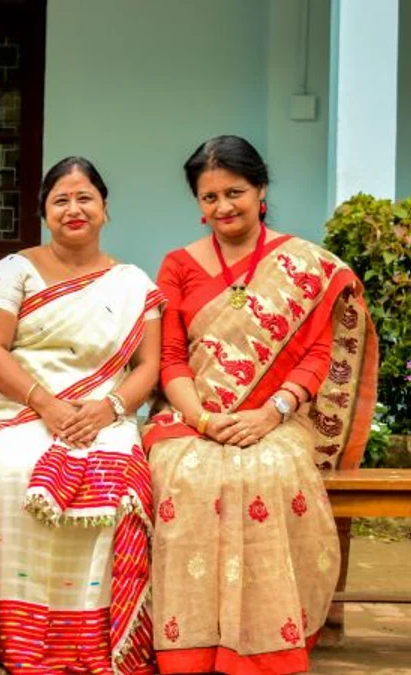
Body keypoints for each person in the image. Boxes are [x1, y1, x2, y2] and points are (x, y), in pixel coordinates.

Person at [145, 135, 378, 674]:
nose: (223, 207)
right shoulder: (178, 265)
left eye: (235, 192)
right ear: (198, 204)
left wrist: (270, 413)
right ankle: (191, 645)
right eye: (210, 197)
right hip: (192, 416)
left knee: (267, 471)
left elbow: (317, 355)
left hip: (276, 418)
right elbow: (171, 359)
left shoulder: (304, 265)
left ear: (261, 190)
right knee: (186, 474)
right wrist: (203, 418)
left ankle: (264, 642)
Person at [0, 157, 162, 673]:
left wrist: (109, 408)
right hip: (20, 410)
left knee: (122, 476)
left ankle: (101, 637)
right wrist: (46, 405)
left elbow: (149, 365)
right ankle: (24, 636)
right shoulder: (13, 271)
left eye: (85, 198)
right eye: (61, 200)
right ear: (43, 212)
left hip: (104, 413)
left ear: (104, 209)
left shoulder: (132, 282)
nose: (74, 209)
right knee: (15, 469)